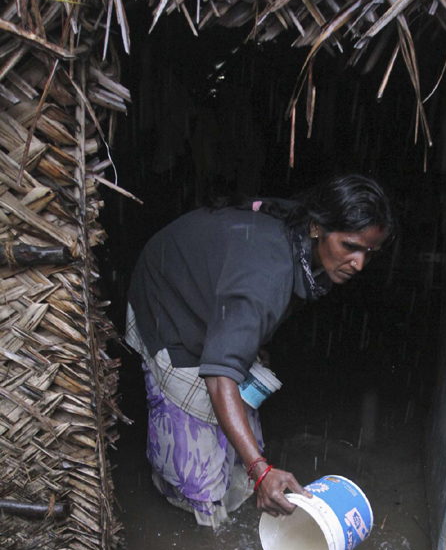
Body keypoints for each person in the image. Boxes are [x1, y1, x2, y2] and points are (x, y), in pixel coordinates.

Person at [126, 174, 393, 527]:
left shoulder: (303, 240)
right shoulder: (265, 274)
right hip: (168, 303)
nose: (359, 264)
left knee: (238, 445)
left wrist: (252, 341)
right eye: (350, 246)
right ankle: (191, 515)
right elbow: (219, 376)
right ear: (317, 228)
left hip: (218, 292)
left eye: (369, 252)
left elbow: (254, 308)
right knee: (198, 476)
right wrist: (260, 469)